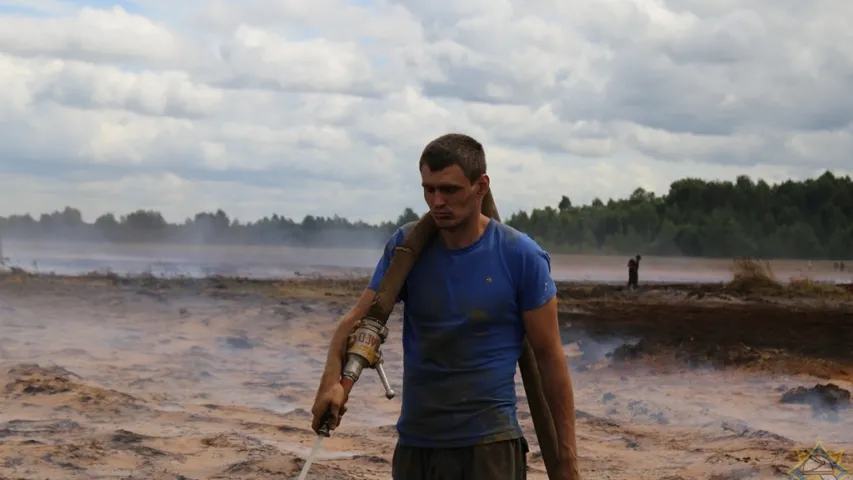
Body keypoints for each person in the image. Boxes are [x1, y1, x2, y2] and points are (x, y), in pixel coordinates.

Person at [310, 133, 580, 480]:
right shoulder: (406, 249)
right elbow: (356, 320)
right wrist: (331, 384)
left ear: (481, 186)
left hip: (489, 448)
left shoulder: (520, 256)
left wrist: (568, 462)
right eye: (429, 189)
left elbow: (550, 360)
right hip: (416, 447)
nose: (437, 201)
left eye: (449, 190)